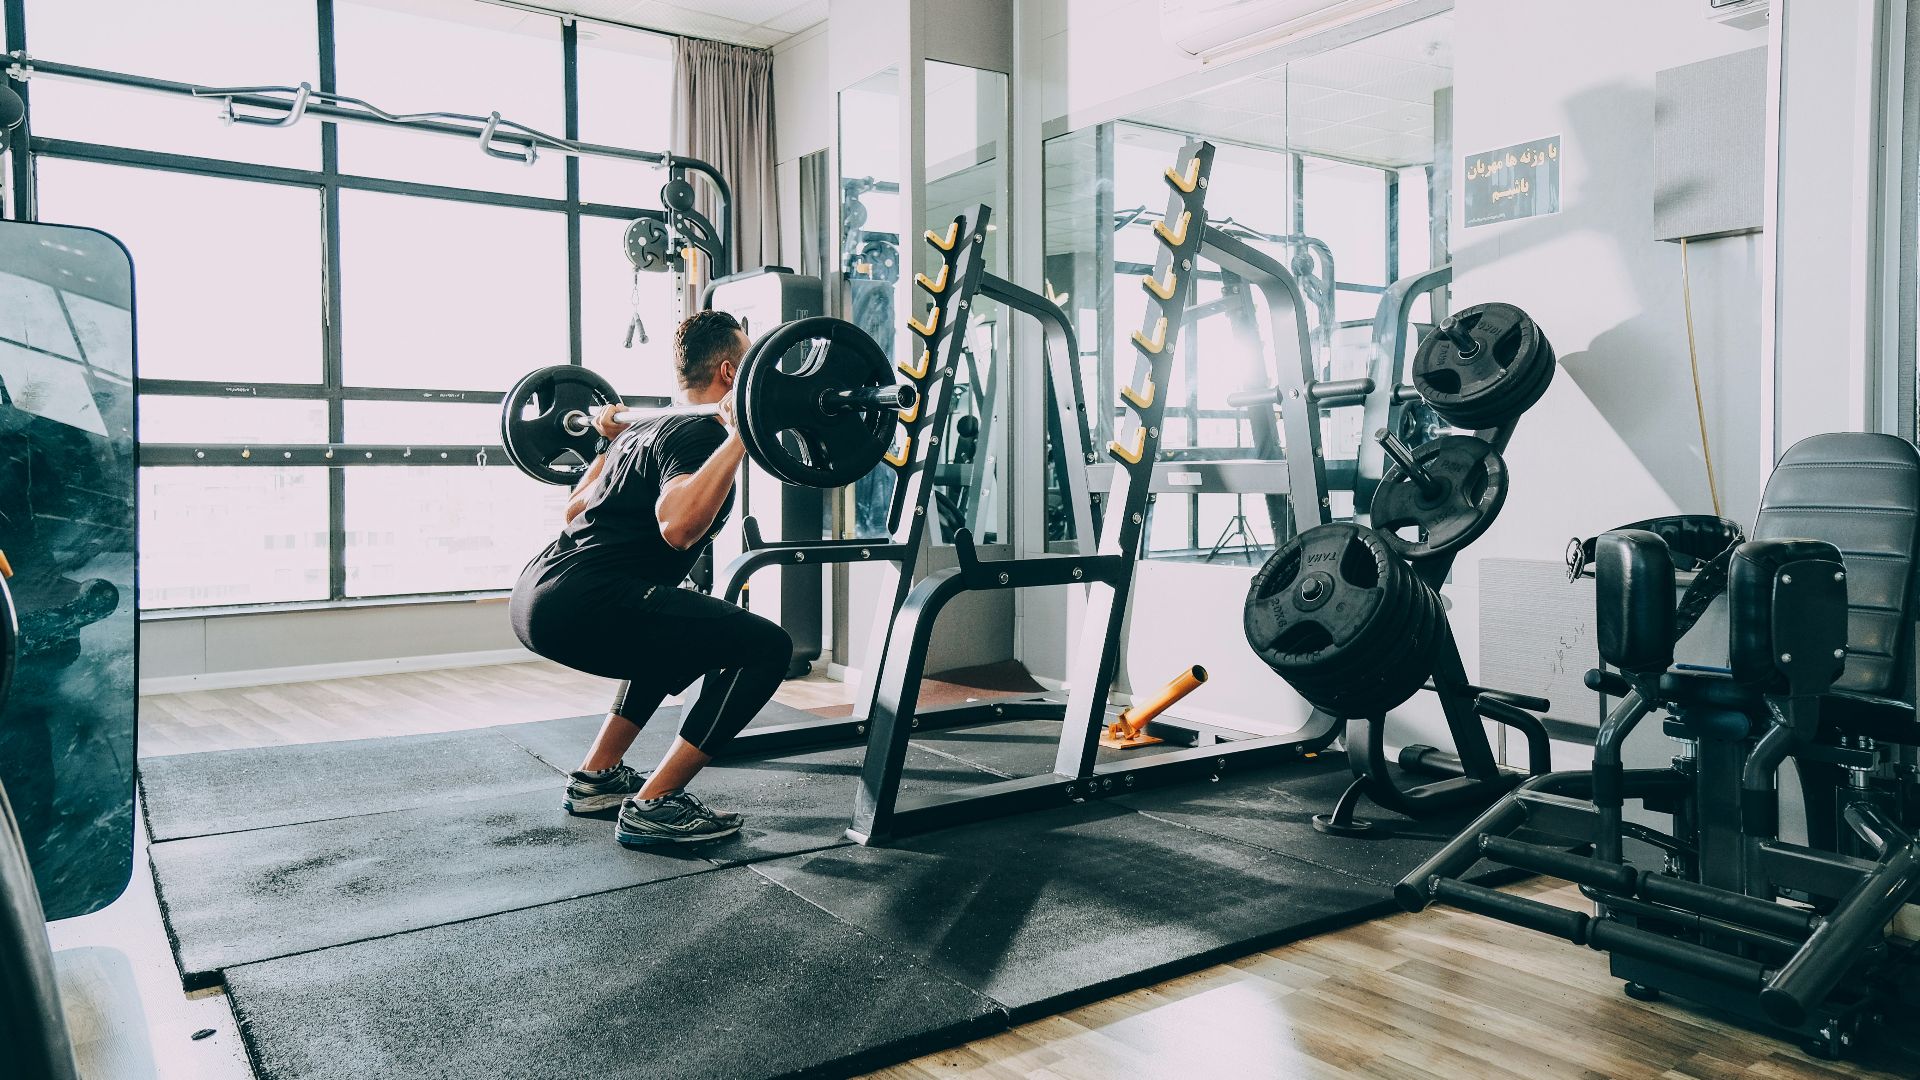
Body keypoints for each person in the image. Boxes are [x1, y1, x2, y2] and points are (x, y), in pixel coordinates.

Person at [509, 310, 792, 848]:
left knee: (671, 624)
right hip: (585, 599)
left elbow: (574, 511)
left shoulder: (643, 429)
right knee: (767, 648)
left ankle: (598, 778)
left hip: (538, 594)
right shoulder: (701, 433)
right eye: (752, 363)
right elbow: (678, 527)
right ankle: (655, 804)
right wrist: (739, 437)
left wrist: (604, 442)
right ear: (732, 375)